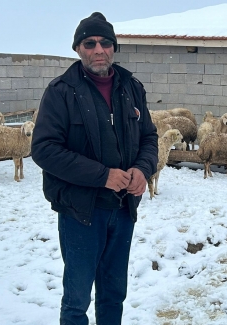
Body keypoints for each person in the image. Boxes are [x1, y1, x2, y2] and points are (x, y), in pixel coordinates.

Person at [31, 12, 158, 325]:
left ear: (114, 47)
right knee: (77, 299)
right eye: (90, 43)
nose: (99, 49)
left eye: (105, 42)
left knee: (114, 293)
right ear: (78, 48)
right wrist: (103, 176)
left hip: (123, 208)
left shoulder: (131, 87)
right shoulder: (61, 92)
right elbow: (44, 149)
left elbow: (149, 137)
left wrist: (143, 169)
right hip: (81, 212)